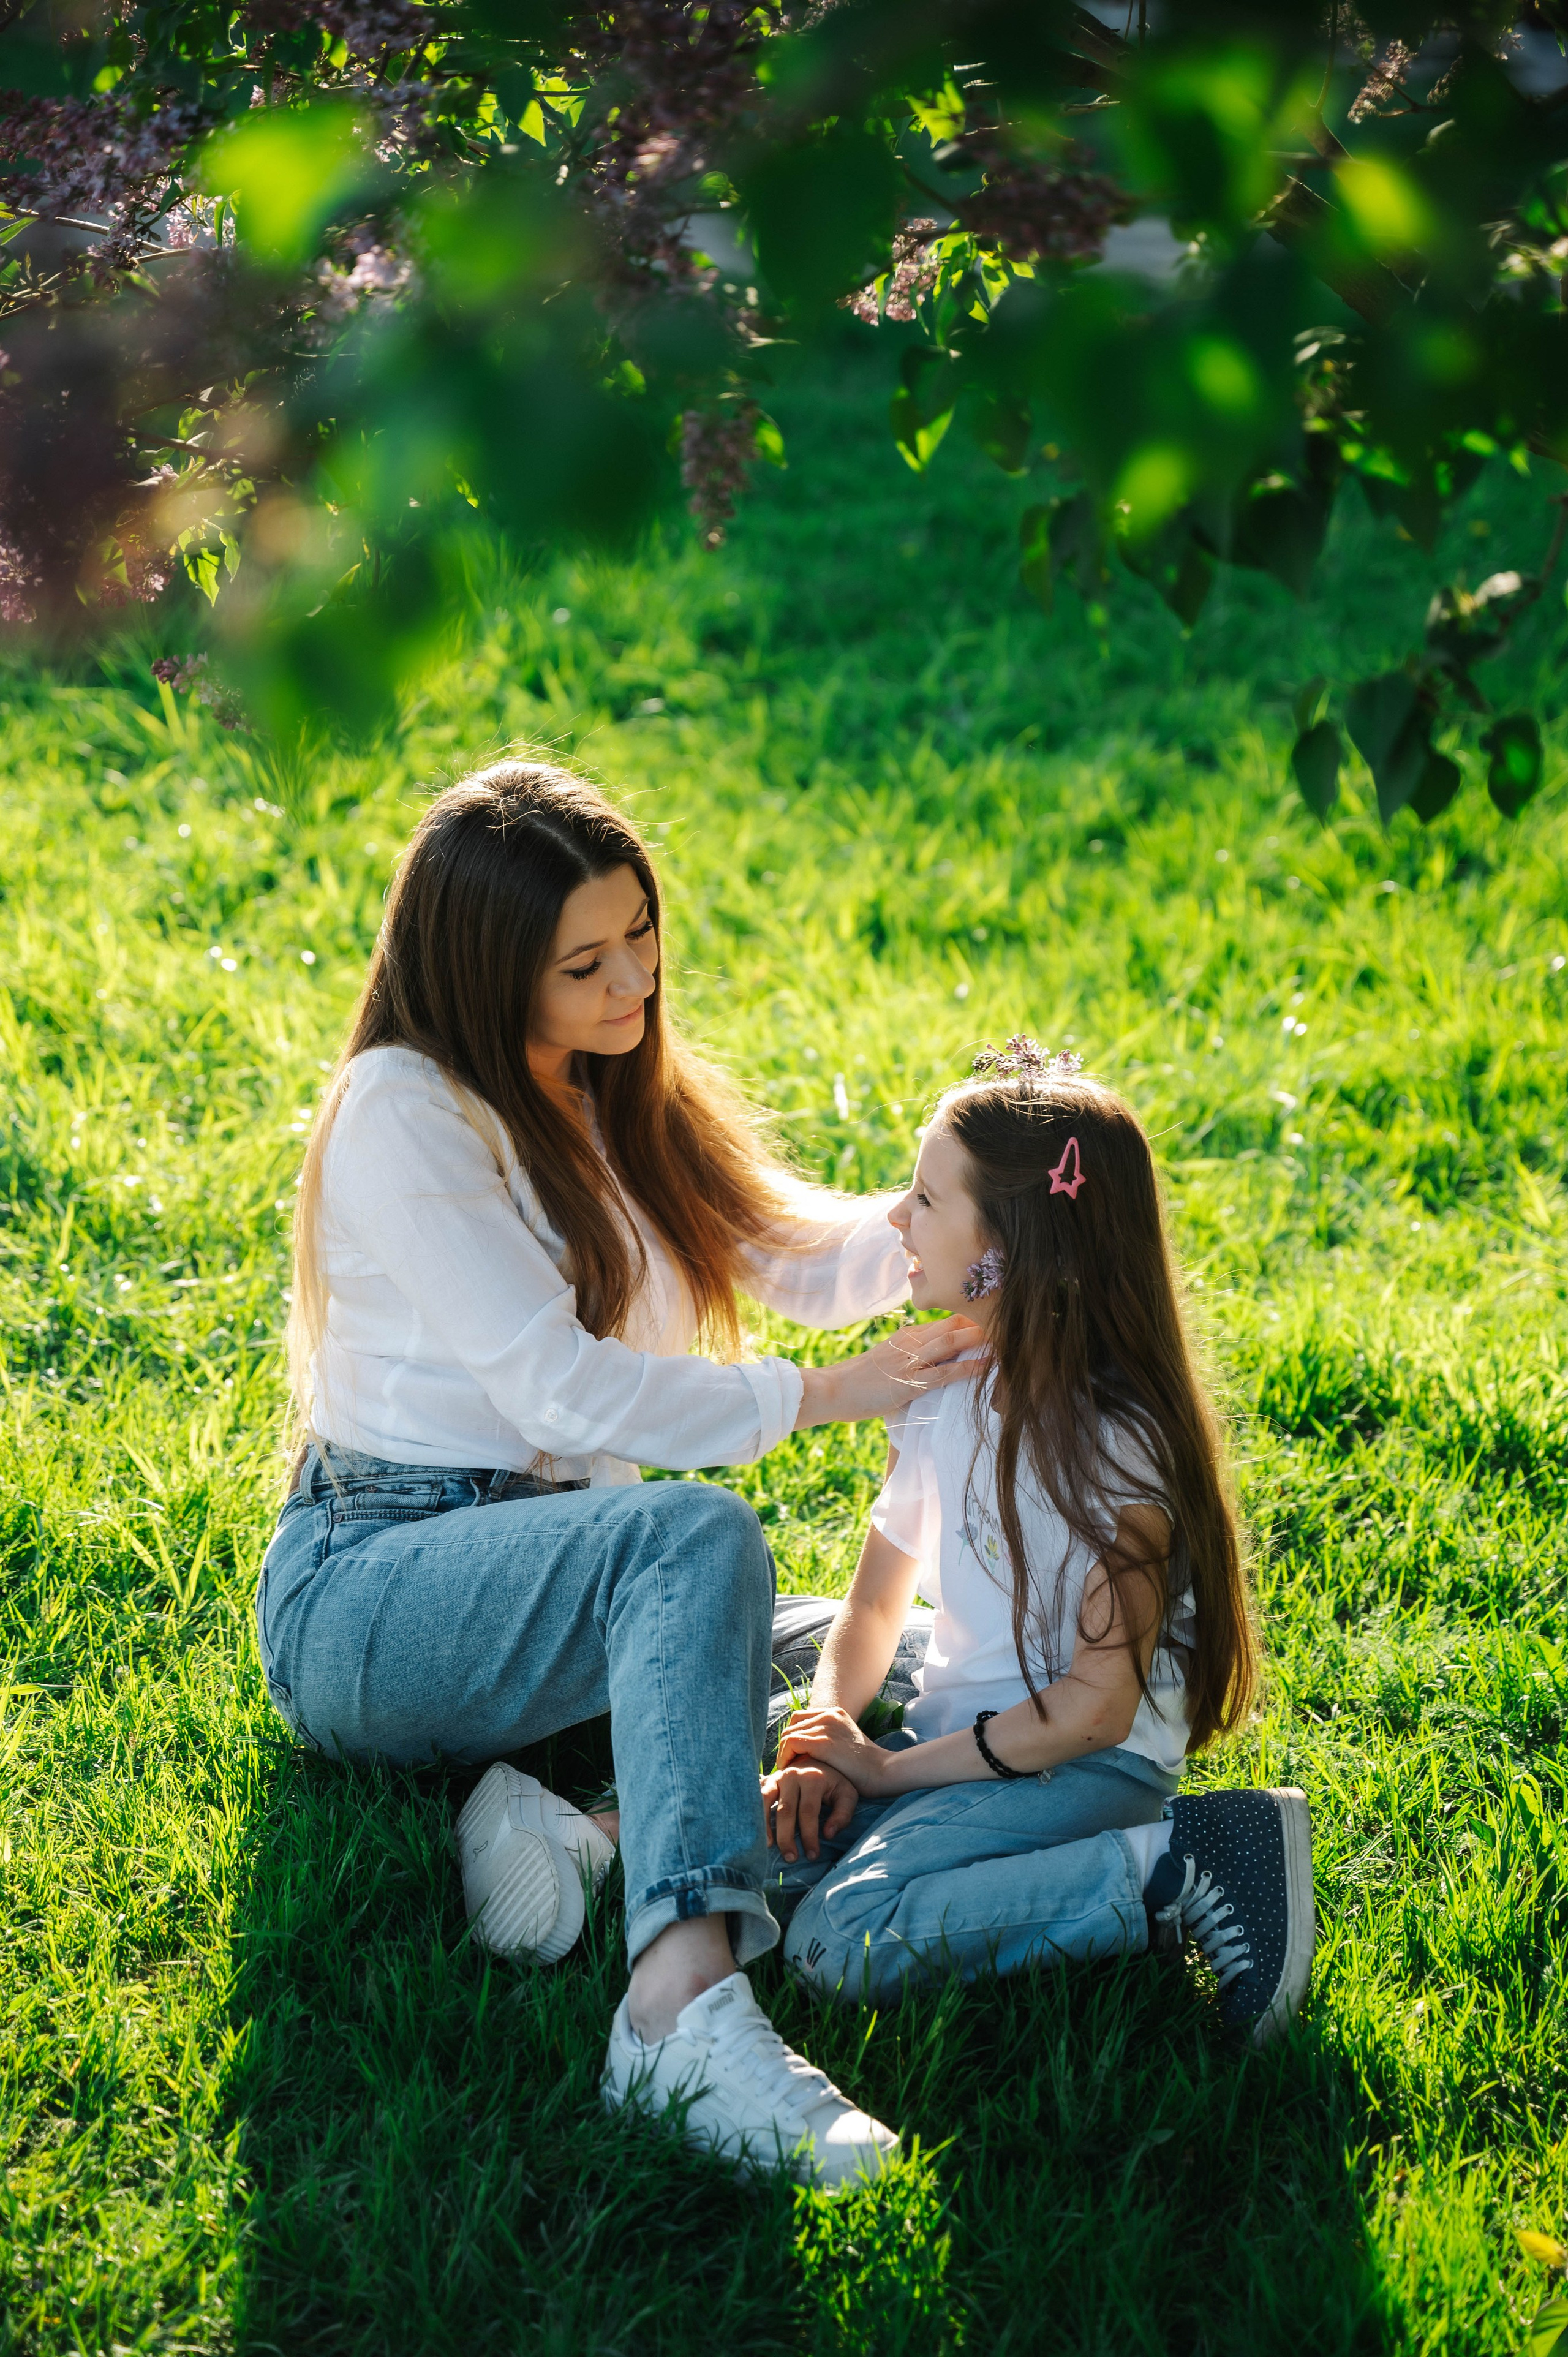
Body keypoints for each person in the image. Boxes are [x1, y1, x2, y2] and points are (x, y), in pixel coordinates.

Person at [254, 758, 982, 2191]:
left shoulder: (606, 1084)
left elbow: (788, 1246)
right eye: (583, 961)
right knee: (695, 1539)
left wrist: (962, 1225)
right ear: (480, 969)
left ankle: (584, 1840)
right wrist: (822, 1397)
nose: (632, 980)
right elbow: (555, 1385)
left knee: (917, 1673)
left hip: (552, 1582)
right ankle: (678, 2010)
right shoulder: (406, 1111)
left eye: (640, 934)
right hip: (373, 1593)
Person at [764, 1039, 1316, 2047]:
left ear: (1008, 1249)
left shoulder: (1119, 1446)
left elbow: (1094, 1712)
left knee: (837, 1939)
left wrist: (886, 1774)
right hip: (962, 1739)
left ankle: (1179, 1864)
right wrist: (826, 1739)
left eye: (926, 1199)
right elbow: (876, 1605)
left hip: (1080, 1766)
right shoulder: (946, 1391)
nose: (897, 1218)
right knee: (765, 1869)